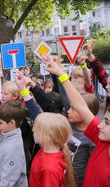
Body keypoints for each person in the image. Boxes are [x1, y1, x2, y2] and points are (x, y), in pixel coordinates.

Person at [43, 55, 110, 187]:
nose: (100, 125)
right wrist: (60, 73)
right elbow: (80, 105)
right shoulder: (102, 140)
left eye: (107, 122)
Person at [0, 101, 28, 187]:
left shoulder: (13, 148)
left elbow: (8, 180)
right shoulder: (4, 134)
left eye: (0, 122)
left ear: (12, 123)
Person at [30, 113, 75, 187]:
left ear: (47, 137)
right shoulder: (47, 150)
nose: (33, 131)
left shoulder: (49, 169)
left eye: (36, 130)